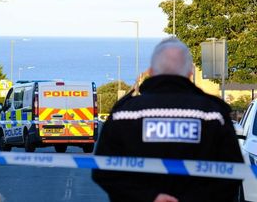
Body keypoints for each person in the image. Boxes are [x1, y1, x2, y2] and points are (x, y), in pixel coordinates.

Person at [92, 37, 243, 202]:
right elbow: (233, 173)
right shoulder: (214, 115)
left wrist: (148, 197)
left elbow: (103, 170)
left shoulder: (124, 114)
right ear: (190, 72)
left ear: (151, 71)